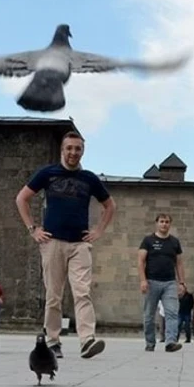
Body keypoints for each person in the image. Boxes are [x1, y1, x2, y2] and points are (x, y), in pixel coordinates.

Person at [16, 131, 114, 360]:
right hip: (52, 242)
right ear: (62, 150)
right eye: (69, 148)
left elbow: (110, 206)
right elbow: (22, 199)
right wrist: (33, 229)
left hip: (80, 244)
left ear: (83, 151)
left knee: (82, 292)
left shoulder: (89, 178)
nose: (73, 153)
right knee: (54, 295)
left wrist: (98, 230)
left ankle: (87, 340)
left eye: (77, 149)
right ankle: (52, 340)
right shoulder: (48, 174)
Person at [137, 213, 186, 353]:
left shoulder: (174, 242)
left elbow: (179, 263)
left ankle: (170, 342)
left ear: (170, 224)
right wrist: (142, 280)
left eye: (167, 222)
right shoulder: (148, 240)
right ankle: (150, 342)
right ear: (157, 223)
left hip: (170, 283)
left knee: (172, 313)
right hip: (151, 281)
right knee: (149, 315)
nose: (164, 224)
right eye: (162, 221)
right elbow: (140, 261)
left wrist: (182, 282)